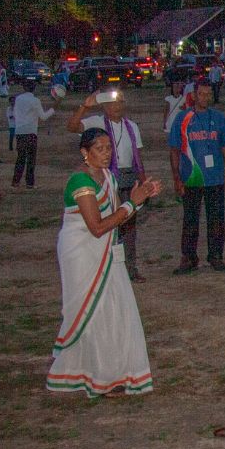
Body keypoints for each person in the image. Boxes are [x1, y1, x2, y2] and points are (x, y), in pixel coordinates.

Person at [50, 128, 160, 397]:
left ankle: (110, 372)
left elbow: (117, 217)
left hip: (107, 253)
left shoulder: (108, 176)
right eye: (99, 148)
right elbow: (97, 227)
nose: (106, 153)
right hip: (82, 253)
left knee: (114, 311)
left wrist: (139, 200)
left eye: (109, 147)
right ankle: (99, 378)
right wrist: (132, 205)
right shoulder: (80, 182)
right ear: (85, 153)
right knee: (93, 313)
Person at [69, 90, 147, 280]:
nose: (117, 106)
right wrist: (85, 106)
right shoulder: (96, 122)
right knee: (108, 221)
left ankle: (129, 266)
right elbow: (72, 127)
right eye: (112, 103)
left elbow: (137, 156)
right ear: (104, 105)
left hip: (128, 175)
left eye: (120, 102)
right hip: (107, 176)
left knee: (128, 223)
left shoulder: (132, 126)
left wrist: (143, 181)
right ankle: (109, 266)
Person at [168, 79, 225, 273]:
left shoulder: (219, 118)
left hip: (215, 177)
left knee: (216, 219)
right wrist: (177, 177)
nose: (206, 97)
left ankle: (216, 256)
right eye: (202, 94)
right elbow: (174, 149)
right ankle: (189, 258)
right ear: (194, 95)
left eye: (209, 94)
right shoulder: (183, 118)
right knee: (190, 220)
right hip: (192, 178)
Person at [9, 79, 56, 190]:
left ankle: (15, 182)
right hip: (30, 132)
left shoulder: (19, 99)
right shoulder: (35, 100)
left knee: (20, 158)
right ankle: (29, 183)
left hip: (20, 131)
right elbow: (43, 117)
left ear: (24, 88)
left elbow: (15, 114)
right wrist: (54, 108)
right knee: (31, 159)